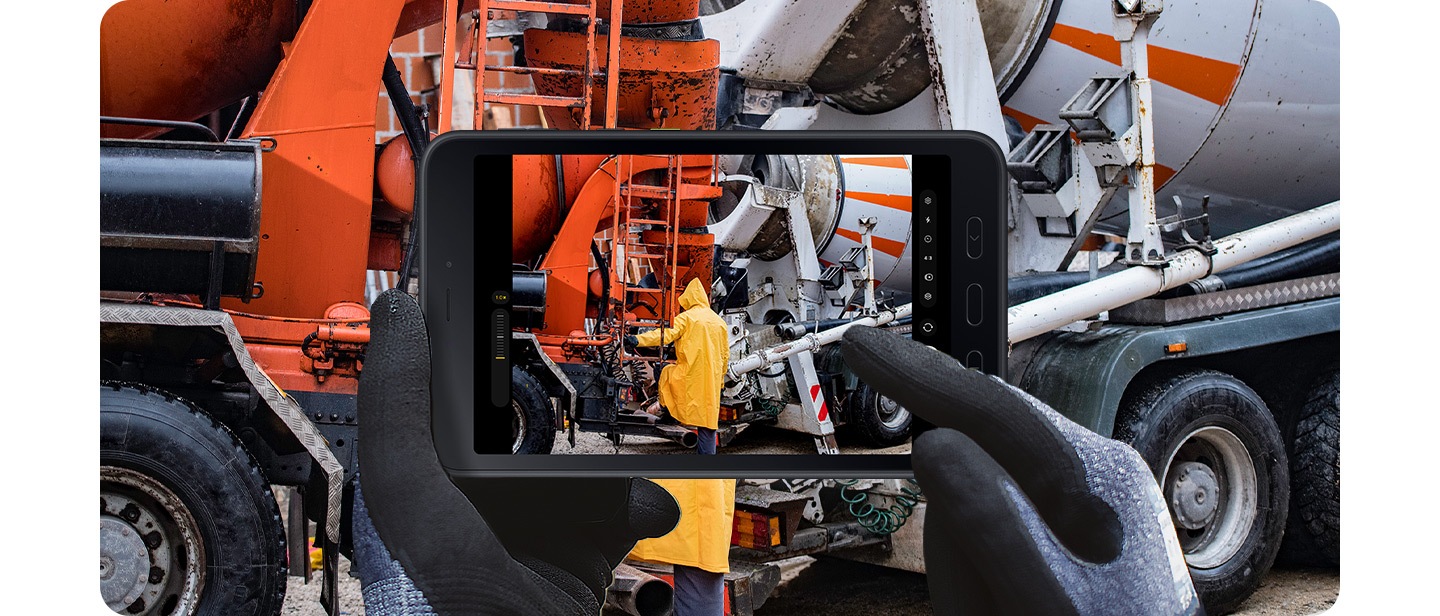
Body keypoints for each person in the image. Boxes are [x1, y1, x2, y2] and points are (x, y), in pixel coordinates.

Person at [355, 290, 1201, 615]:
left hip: (691, 438)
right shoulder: (708, 320)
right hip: (701, 445)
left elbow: (665, 354)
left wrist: (630, 342)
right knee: (698, 563)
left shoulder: (690, 323)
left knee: (689, 564)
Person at [624, 278, 729, 455]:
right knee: (708, 423)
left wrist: (638, 340)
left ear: (689, 298)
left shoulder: (687, 318)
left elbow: (664, 336)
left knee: (665, 372)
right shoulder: (719, 322)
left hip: (689, 375)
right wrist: (720, 382)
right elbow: (725, 356)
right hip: (711, 380)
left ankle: (665, 408)